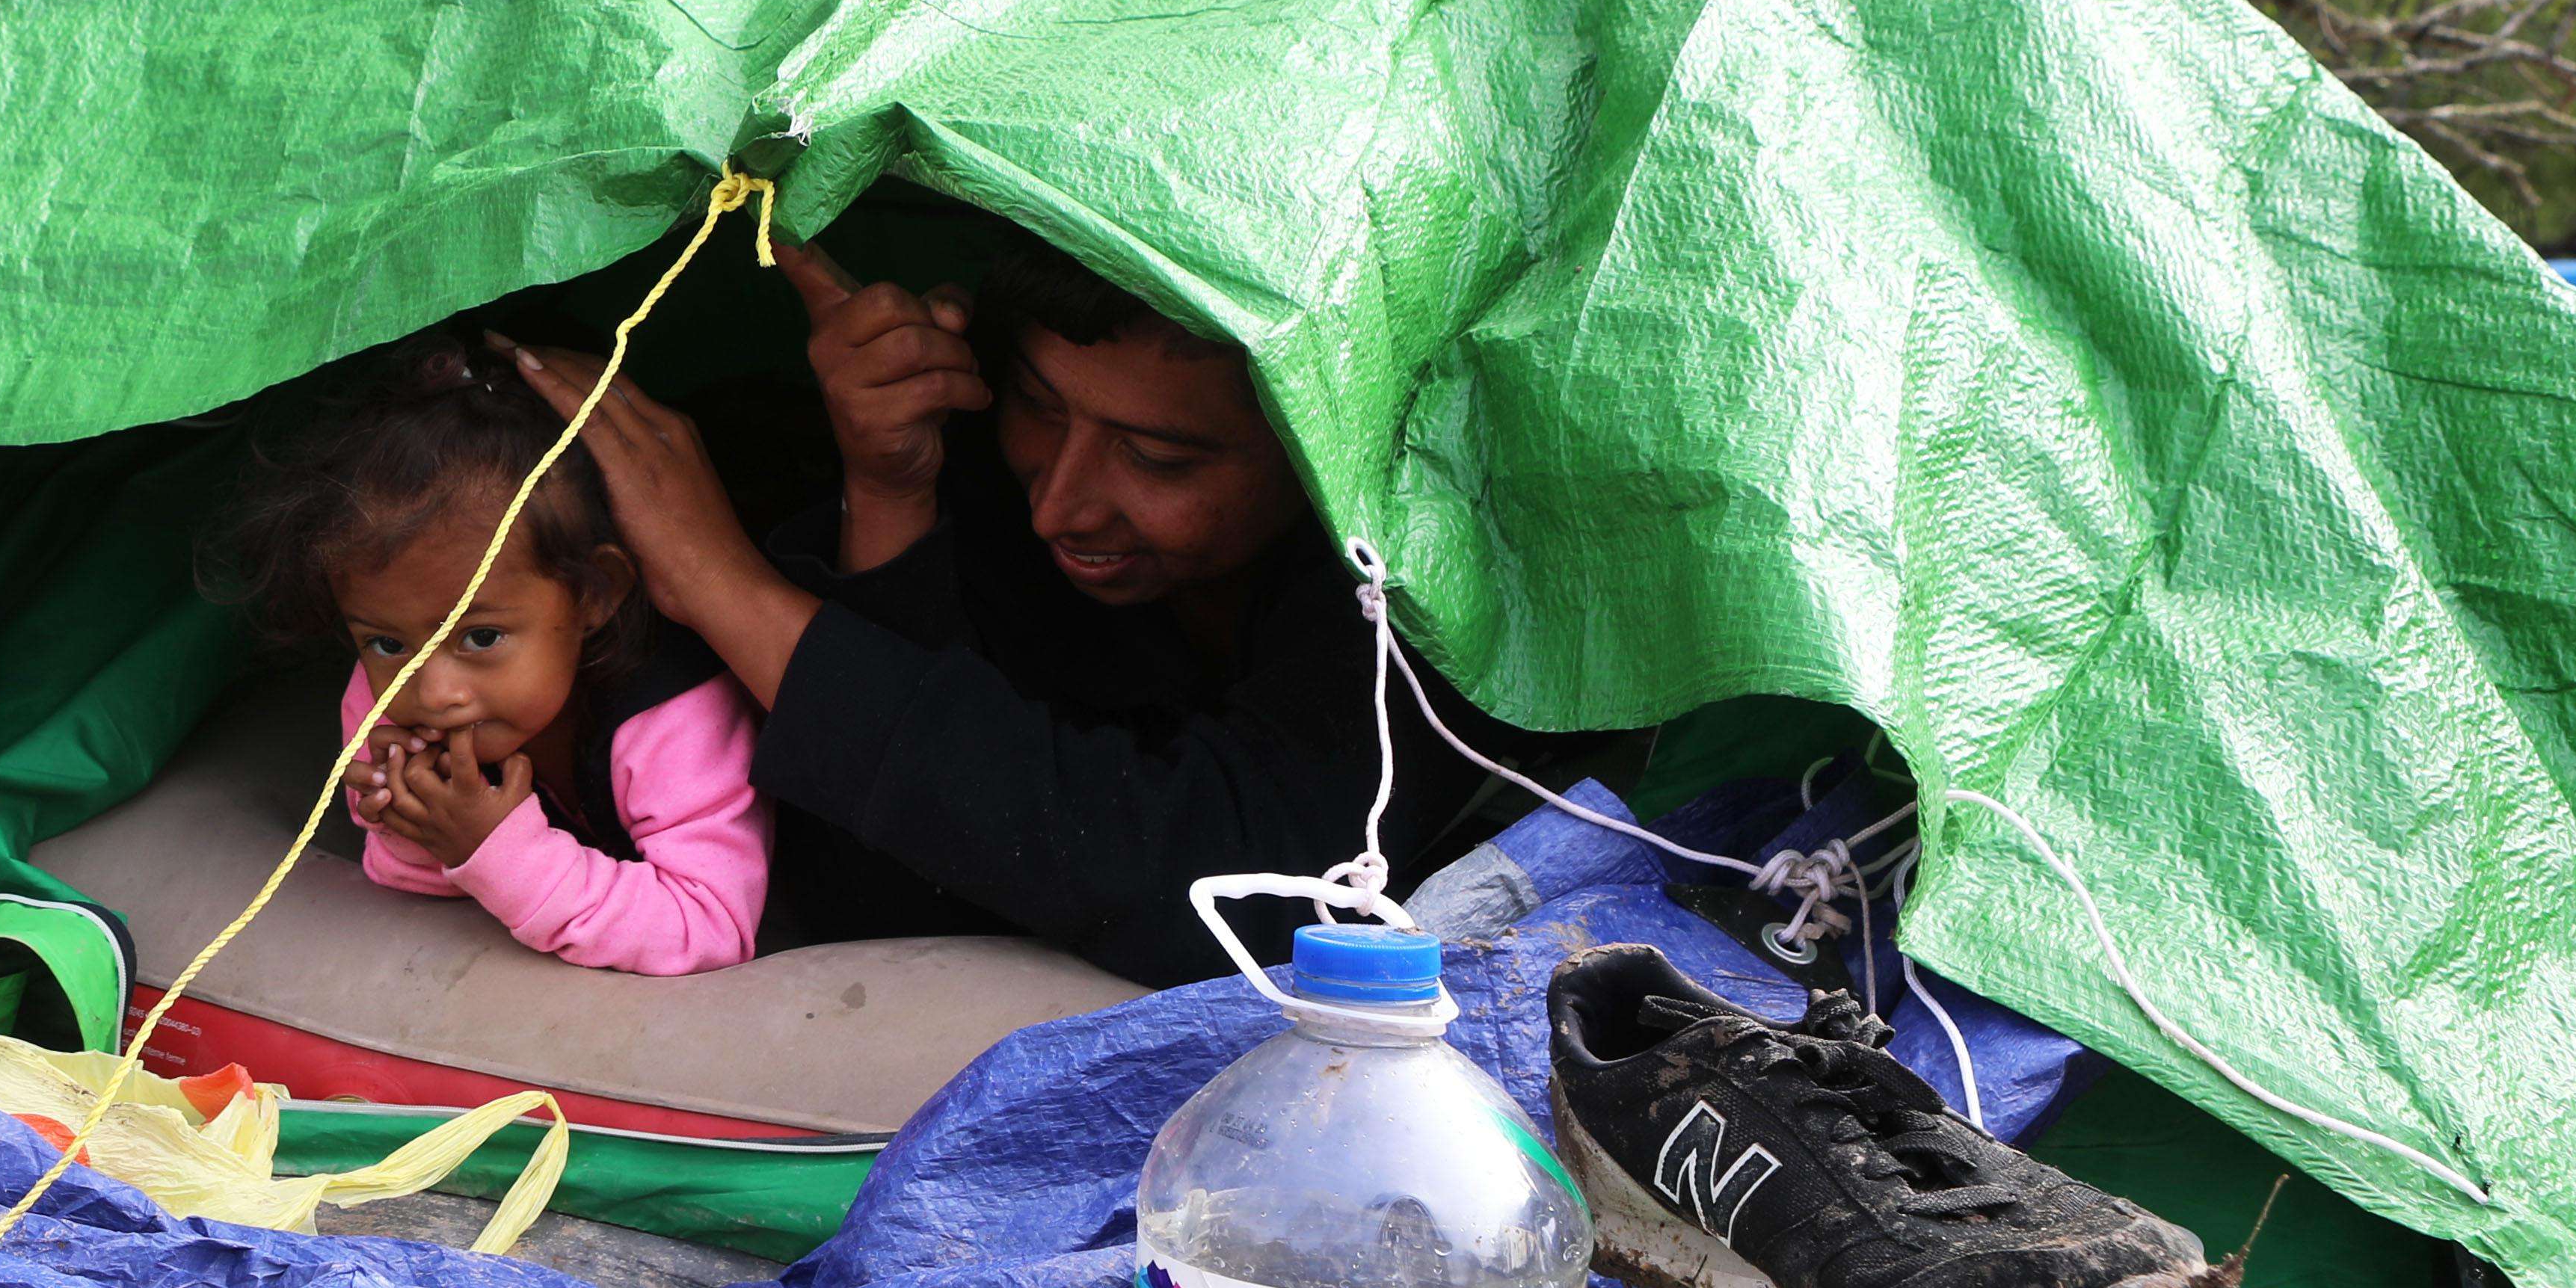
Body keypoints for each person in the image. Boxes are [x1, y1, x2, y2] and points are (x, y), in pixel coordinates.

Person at [502, 226, 1562, 984]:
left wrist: (729, 590)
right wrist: (888, 498)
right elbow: (875, 905)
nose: (1062, 503)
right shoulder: (988, 488)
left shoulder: (1429, 579)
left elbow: (1237, 892)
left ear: (1326, 454)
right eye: (1039, 409)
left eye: (1157, 458)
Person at [201, 337, 772, 976]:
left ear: (595, 594)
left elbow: (708, 927)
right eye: (388, 643)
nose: (434, 692)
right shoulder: (382, 700)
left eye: (480, 637)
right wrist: (416, 826)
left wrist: (497, 850)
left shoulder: (676, 712)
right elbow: (408, 882)